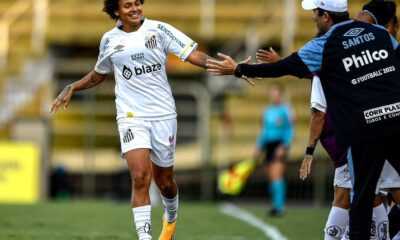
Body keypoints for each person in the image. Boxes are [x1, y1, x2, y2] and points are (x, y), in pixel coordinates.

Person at [206, 0, 400, 239]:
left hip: (366, 129)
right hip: (396, 118)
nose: (312, 18)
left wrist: (239, 70)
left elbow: (284, 68)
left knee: (362, 198)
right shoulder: (380, 33)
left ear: (326, 16)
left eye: (315, 13)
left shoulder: (323, 44)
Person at [50, 0, 217, 239]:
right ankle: (145, 237)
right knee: (140, 176)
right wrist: (73, 87)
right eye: (128, 5)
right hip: (131, 116)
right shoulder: (109, 40)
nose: (135, 8)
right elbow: (100, 73)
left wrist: (227, 67)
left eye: (138, 3)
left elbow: (193, 55)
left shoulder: (159, 30)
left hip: (163, 115)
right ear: (116, 11)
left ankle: (170, 216)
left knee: (165, 182)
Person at [254, 85, 294, 216]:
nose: (274, 96)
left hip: (279, 145)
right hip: (268, 146)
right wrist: (258, 146)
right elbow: (264, 130)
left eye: (276, 94)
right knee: (271, 178)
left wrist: (284, 146)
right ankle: (275, 205)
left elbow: (289, 130)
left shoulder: (286, 110)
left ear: (280, 95)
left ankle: (279, 207)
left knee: (277, 176)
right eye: (272, 94)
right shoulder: (267, 111)